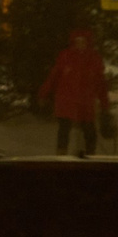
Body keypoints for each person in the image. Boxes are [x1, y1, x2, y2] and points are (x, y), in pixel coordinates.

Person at [39, 28, 109, 156]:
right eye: (77, 41)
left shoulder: (93, 58)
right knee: (64, 129)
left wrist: (104, 104)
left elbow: (101, 83)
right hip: (66, 100)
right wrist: (44, 93)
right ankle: (61, 155)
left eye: (83, 41)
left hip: (85, 102)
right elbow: (54, 77)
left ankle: (90, 155)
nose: (80, 44)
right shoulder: (66, 56)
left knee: (89, 130)